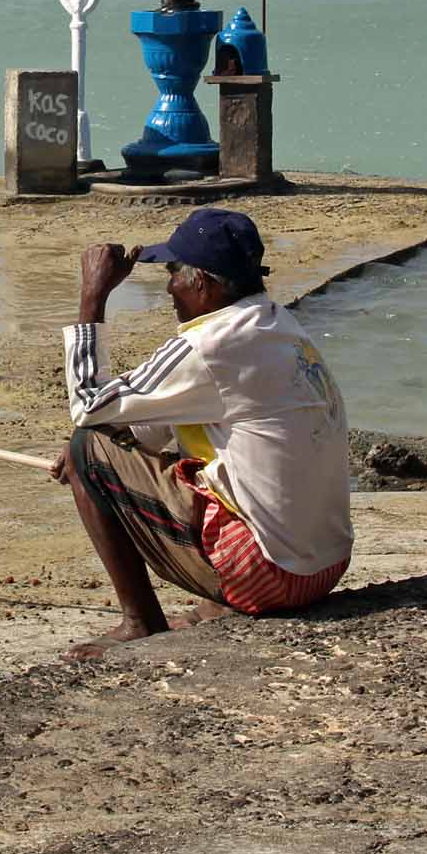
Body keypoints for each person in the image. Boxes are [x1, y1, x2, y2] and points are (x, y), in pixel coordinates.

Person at [53, 207, 352, 656]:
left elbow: (88, 407)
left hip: (272, 575)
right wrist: (104, 455)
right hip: (325, 567)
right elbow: (150, 430)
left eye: (173, 273)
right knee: (99, 448)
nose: (168, 288)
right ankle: (222, 598)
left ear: (203, 283)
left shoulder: (208, 345)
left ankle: (140, 622)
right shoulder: (279, 325)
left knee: (85, 445)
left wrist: (92, 298)